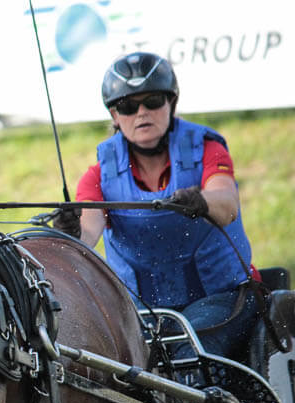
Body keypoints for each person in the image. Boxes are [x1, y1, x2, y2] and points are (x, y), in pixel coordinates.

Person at [54, 51, 261, 368]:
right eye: (128, 106)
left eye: (152, 101)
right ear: (114, 115)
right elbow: (88, 231)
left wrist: (201, 201)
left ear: (170, 104)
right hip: (144, 313)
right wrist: (70, 231)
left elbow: (227, 204)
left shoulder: (208, 149)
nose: (141, 113)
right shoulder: (98, 176)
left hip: (223, 297)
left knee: (189, 358)